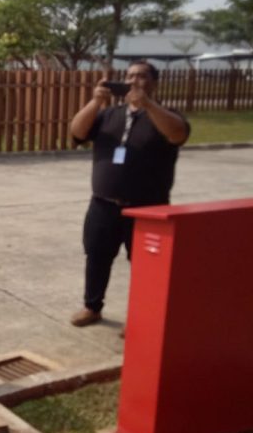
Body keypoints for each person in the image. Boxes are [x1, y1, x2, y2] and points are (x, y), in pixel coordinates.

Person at [69, 60, 190, 327]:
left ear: (154, 83)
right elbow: (77, 132)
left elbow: (177, 134)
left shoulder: (166, 115)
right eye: (130, 75)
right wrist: (95, 102)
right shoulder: (108, 115)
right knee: (97, 257)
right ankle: (92, 306)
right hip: (103, 204)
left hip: (147, 209)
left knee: (146, 265)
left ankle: (141, 318)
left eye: (142, 76)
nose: (134, 80)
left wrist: (148, 105)